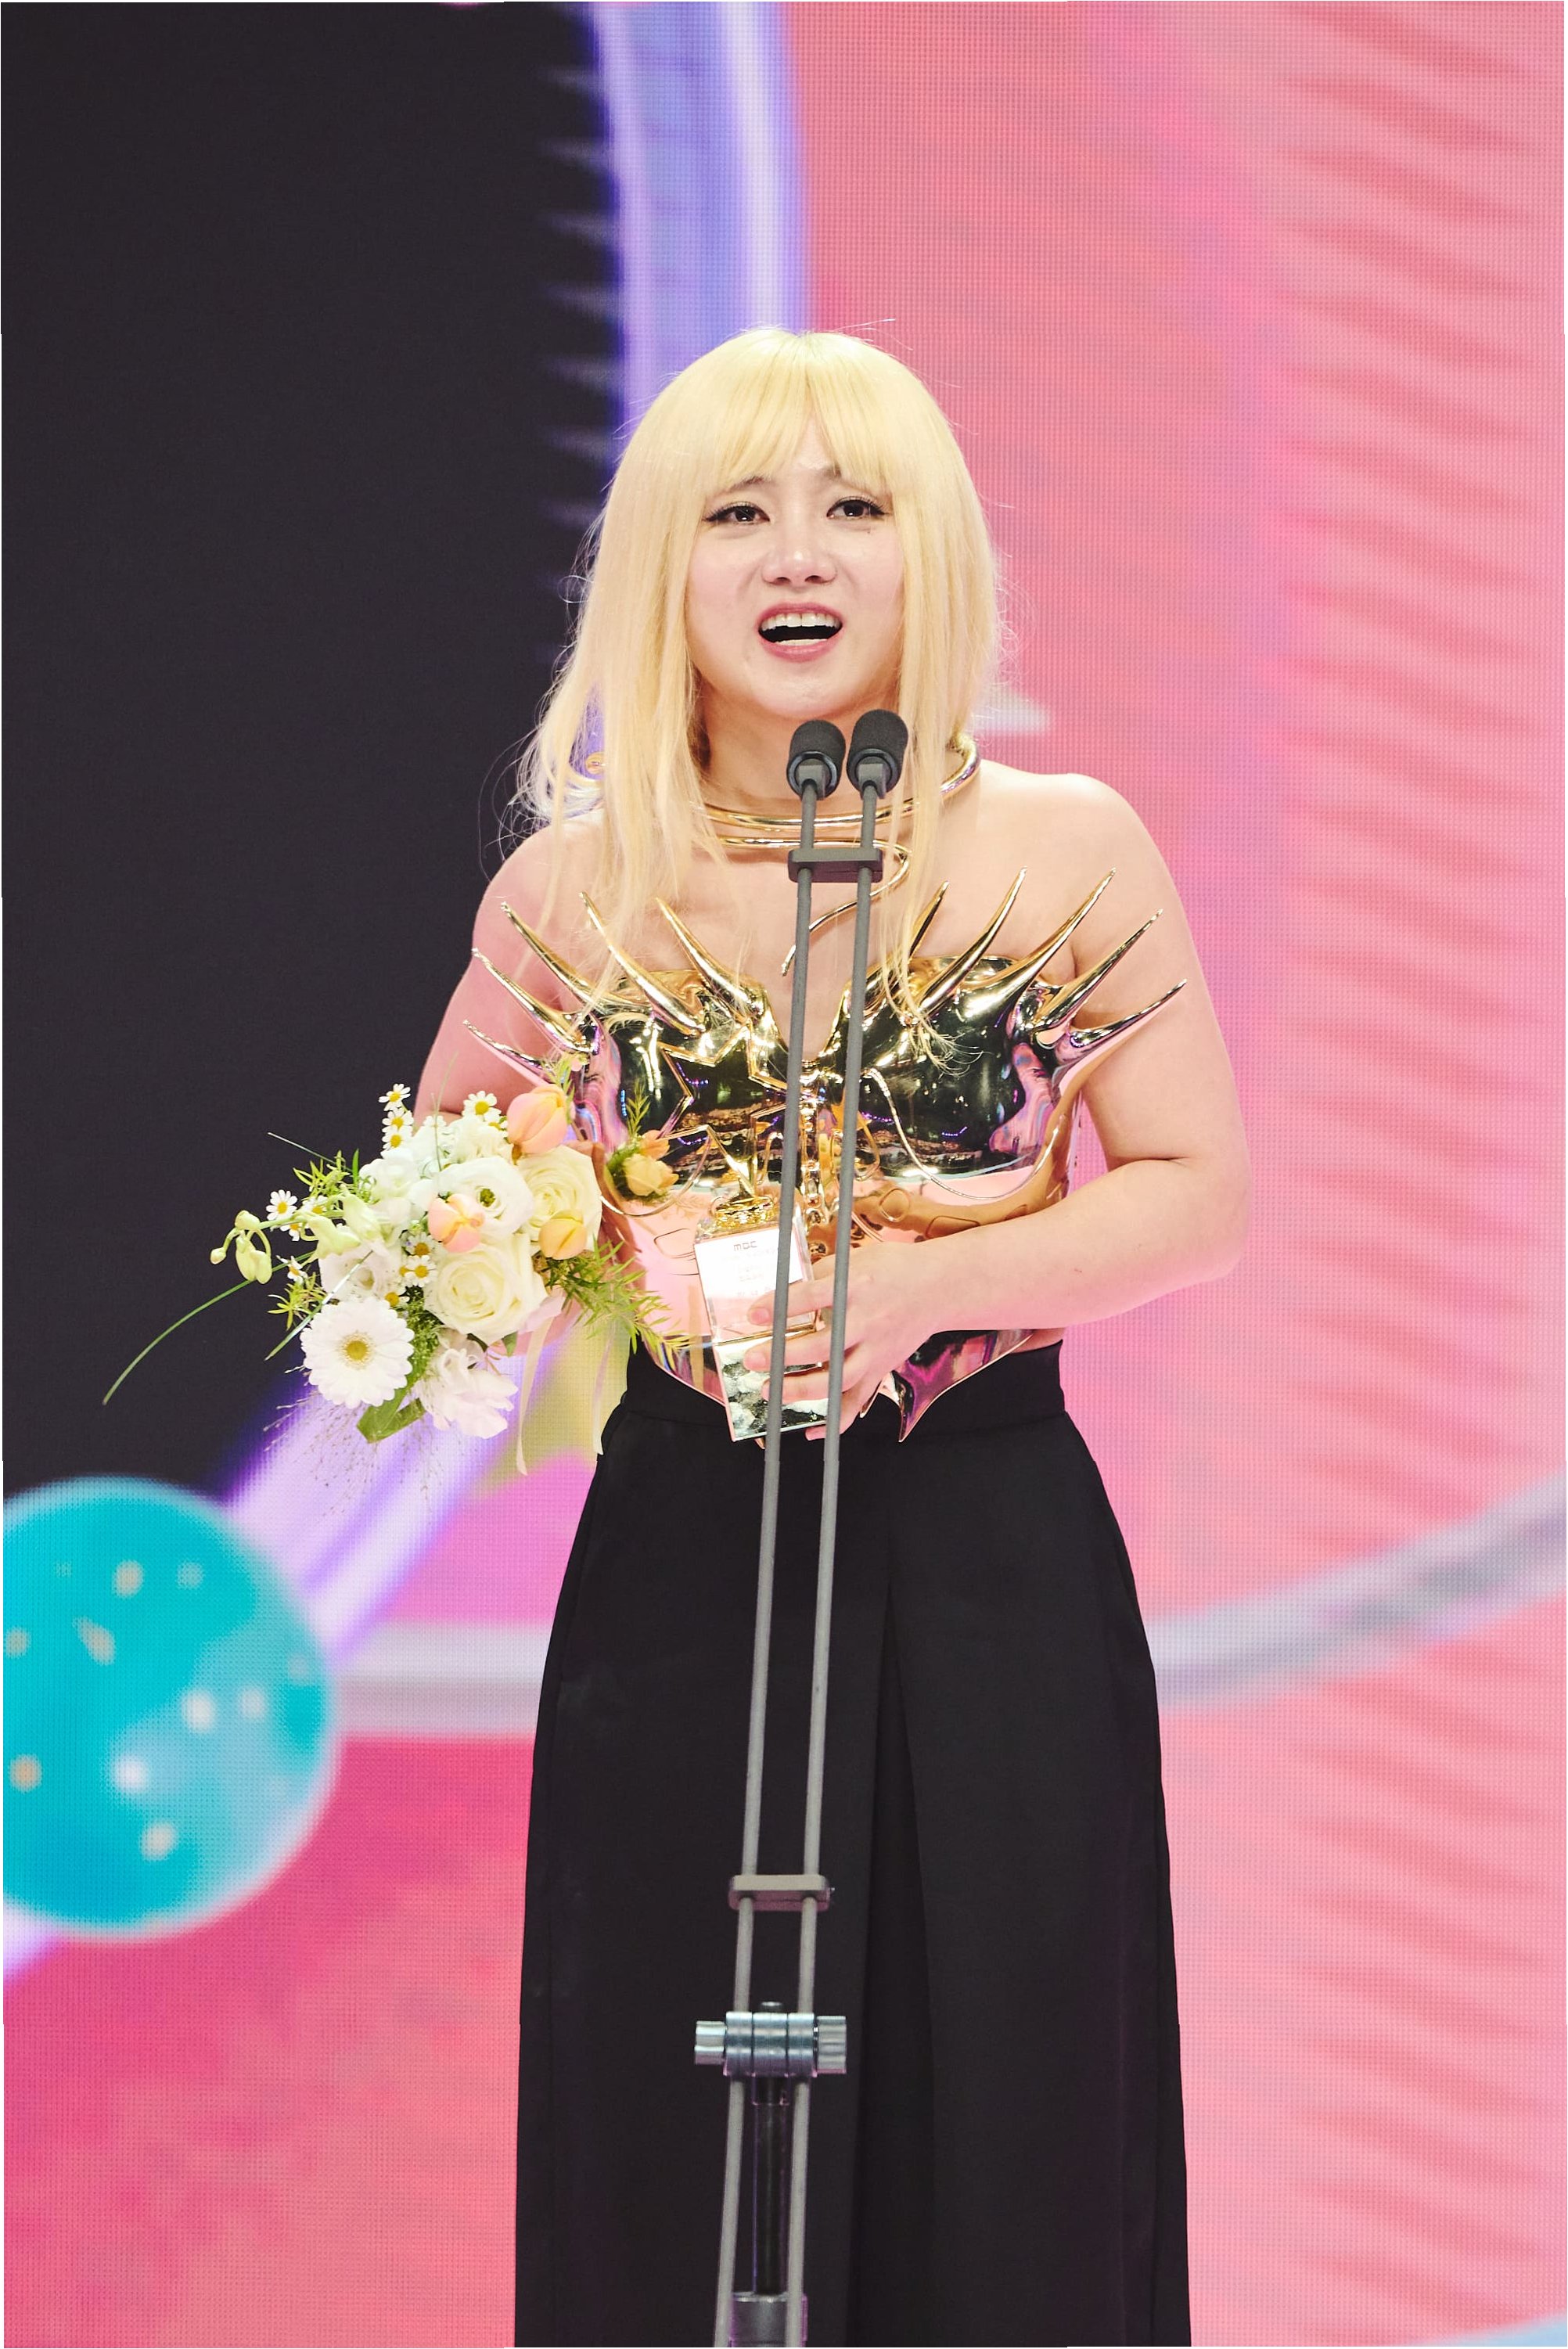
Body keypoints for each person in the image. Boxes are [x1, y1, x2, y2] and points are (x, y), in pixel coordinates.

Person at [416, 328, 1250, 2349]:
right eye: (740, 512)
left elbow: (1193, 1187)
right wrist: (546, 1262)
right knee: (664, 2122)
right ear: (662, 567)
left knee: (1011, 2102)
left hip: (985, 1548)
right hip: (687, 1550)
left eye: (852, 507)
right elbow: (444, 1208)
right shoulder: (571, 892)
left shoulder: (1064, 849)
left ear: (926, 551)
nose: (799, 554)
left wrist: (920, 1285)